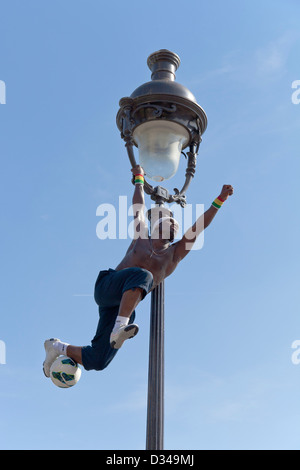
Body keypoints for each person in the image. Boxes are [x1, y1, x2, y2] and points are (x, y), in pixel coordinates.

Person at [43, 166, 234, 377]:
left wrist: (220, 200)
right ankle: (119, 327)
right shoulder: (141, 238)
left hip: (123, 306)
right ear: (157, 226)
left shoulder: (173, 255)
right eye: (170, 222)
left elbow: (199, 227)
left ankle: (56, 347)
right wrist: (139, 180)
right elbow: (138, 207)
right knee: (144, 275)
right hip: (108, 287)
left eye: (177, 225)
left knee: (99, 359)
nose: (175, 226)